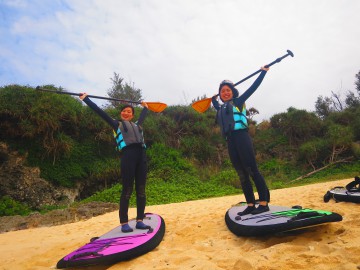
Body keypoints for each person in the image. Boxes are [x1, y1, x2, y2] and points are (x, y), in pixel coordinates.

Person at [80, 93, 150, 232]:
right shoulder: (116, 124)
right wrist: (86, 99)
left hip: (141, 157)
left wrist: (145, 107)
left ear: (132, 115)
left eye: (129, 111)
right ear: (121, 113)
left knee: (141, 190)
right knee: (127, 190)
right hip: (128, 156)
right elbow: (100, 112)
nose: (126, 113)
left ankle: (140, 220)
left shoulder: (138, 125)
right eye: (124, 111)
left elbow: (144, 114)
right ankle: (124, 222)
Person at [212, 66, 270, 216]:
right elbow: (216, 105)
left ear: (232, 91)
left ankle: (263, 203)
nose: (225, 93)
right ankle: (250, 204)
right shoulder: (220, 107)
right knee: (241, 173)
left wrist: (263, 72)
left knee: (252, 170)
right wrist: (213, 99)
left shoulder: (238, 101)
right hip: (230, 141)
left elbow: (253, 88)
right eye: (222, 91)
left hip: (242, 137)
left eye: (227, 90)